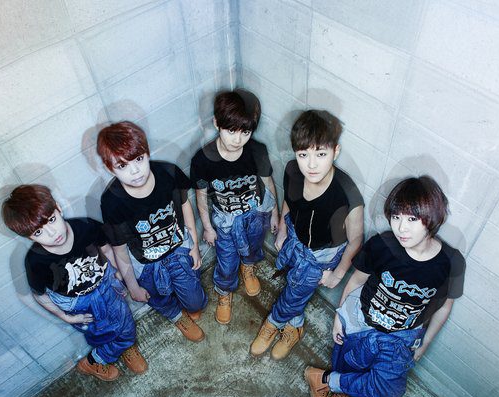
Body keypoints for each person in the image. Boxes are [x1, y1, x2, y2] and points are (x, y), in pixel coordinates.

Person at [304, 176, 466, 397]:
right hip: (362, 320)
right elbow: (357, 279)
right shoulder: (383, 244)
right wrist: (340, 315)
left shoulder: (451, 263)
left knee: (387, 393)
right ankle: (342, 389)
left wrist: (425, 343)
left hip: (400, 336)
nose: (401, 228)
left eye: (412, 219)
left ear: (433, 217)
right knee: (347, 361)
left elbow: (444, 305)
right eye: (396, 217)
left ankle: (328, 381)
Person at [2, 184, 147, 382]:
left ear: (58, 208)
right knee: (99, 334)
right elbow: (40, 296)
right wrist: (66, 318)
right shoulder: (35, 261)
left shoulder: (86, 226)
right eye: (38, 232)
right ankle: (101, 357)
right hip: (78, 304)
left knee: (124, 321)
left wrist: (118, 274)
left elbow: (106, 249)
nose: (52, 233)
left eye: (51, 220)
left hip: (103, 284)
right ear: (29, 236)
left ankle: (116, 349)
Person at [250, 110, 364, 360]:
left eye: (320, 154)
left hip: (321, 256)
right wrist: (282, 229)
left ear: (335, 151)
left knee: (294, 293)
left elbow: (356, 239)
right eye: (303, 154)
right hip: (295, 236)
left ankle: (274, 321)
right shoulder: (293, 170)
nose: (311, 165)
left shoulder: (347, 193)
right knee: (296, 287)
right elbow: (289, 201)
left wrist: (337, 274)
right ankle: (296, 324)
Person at [98, 121, 208, 343]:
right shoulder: (111, 201)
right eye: (122, 166)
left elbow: (185, 205)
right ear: (110, 168)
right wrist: (132, 286)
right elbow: (119, 249)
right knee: (156, 297)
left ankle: (190, 305)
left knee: (196, 302)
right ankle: (176, 315)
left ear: (147, 153)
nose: (135, 171)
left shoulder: (168, 172)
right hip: (145, 262)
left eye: (139, 159)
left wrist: (195, 246)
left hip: (178, 248)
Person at [190, 89, 279, 324]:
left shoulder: (257, 150)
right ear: (216, 123)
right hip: (226, 220)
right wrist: (207, 227)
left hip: (255, 214)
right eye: (231, 131)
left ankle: (248, 267)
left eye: (245, 132)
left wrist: (275, 214)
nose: (238, 140)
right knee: (227, 260)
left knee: (253, 247)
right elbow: (201, 196)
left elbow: (268, 182)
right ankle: (224, 291)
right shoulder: (203, 159)